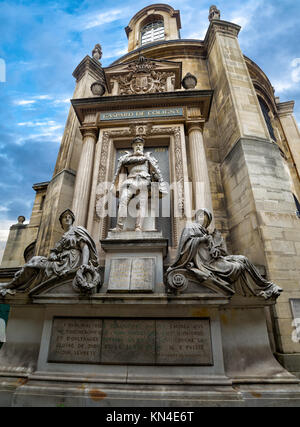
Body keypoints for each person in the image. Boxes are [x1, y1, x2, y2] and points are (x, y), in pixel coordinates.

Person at [167, 209, 282, 299]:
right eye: (202, 216)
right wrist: (201, 240)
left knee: (243, 259)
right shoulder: (191, 227)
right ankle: (255, 292)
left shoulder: (208, 233)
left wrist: (216, 251)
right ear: (197, 217)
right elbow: (184, 248)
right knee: (237, 266)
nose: (203, 220)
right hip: (204, 264)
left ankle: (266, 286)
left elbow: (217, 251)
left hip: (214, 260)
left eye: (206, 219)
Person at [0, 209, 99, 296]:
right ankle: (14, 285)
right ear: (61, 222)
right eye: (65, 217)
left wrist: (84, 265)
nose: (67, 219)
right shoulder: (64, 236)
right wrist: (53, 255)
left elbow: (85, 247)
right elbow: (54, 252)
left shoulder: (78, 230)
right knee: (35, 260)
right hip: (61, 262)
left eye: (70, 217)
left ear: (72, 220)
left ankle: (12, 285)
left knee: (35, 264)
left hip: (71, 262)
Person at [110, 136, 168, 231]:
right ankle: (119, 227)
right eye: (136, 145)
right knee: (123, 201)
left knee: (142, 204)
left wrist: (155, 178)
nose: (138, 146)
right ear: (133, 147)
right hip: (129, 181)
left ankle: (138, 227)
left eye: (140, 145)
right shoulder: (126, 159)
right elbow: (123, 168)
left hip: (144, 182)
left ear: (142, 147)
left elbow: (154, 171)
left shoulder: (149, 158)